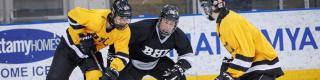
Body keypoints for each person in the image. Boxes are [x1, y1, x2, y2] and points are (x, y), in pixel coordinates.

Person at [46, 0, 132, 80]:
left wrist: (114, 69)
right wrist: (83, 36)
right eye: (121, 18)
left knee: (96, 77)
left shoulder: (125, 31)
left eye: (126, 19)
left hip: (89, 54)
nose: (123, 22)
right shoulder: (97, 18)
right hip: (69, 49)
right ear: (113, 14)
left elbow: (123, 54)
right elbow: (72, 14)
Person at [199, 0, 284, 80]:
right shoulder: (224, 21)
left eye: (204, 5)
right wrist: (231, 63)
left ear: (213, 5)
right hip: (256, 68)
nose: (203, 8)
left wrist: (229, 74)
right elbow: (242, 51)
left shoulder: (229, 22)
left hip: (263, 68)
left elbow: (246, 55)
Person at [108, 4, 194, 80]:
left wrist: (178, 69)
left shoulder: (177, 35)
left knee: (179, 78)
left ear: (175, 25)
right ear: (160, 20)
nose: (167, 26)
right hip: (132, 63)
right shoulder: (143, 28)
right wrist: (112, 55)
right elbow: (120, 37)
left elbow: (187, 54)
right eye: (166, 22)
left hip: (157, 63)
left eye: (171, 24)